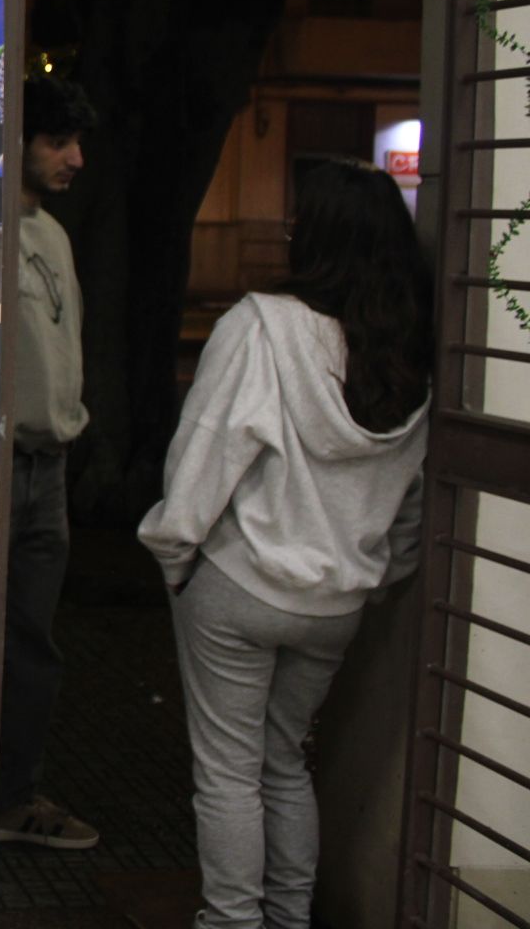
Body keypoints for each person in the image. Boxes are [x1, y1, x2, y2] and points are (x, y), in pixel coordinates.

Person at [138, 158, 430, 929]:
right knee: (286, 761)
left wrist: (174, 553)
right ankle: (290, 920)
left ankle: (231, 921)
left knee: (228, 772)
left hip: (239, 584)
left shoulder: (262, 325)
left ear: (318, 238)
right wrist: (375, 579)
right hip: (337, 602)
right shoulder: (409, 352)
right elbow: (413, 502)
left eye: (300, 220)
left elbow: (204, 453)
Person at [0, 74, 99, 851]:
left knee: (34, 642)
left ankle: (14, 797)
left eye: (75, 142)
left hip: (49, 466)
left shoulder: (54, 234)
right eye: (57, 142)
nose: (75, 158)